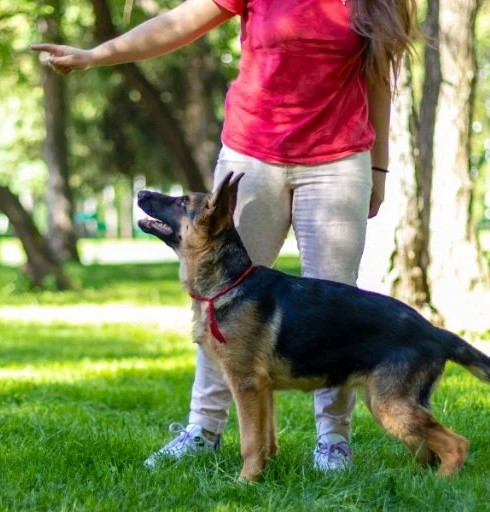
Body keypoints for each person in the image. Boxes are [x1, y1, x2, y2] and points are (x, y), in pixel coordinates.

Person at [32, 0, 416, 471]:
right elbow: (176, 25)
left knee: (336, 304)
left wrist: (379, 167)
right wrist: (95, 54)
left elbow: (378, 80)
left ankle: (332, 440)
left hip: (338, 162)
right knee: (221, 302)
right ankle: (203, 429)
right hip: (252, 159)